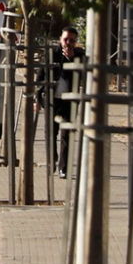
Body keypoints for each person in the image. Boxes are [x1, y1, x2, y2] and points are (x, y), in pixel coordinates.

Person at [48, 26, 87, 177]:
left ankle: (63, 167)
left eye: (72, 40)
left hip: (70, 101)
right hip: (53, 101)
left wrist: (71, 59)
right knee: (51, 133)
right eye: (65, 39)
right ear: (60, 40)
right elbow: (41, 76)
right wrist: (37, 99)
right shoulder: (53, 54)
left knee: (67, 135)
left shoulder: (80, 56)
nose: (68, 43)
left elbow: (82, 76)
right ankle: (53, 160)